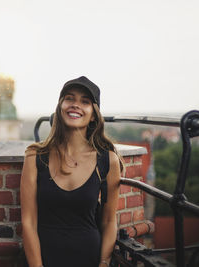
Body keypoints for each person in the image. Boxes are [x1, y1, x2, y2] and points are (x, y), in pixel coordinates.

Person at [20, 76, 124, 267]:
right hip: (44, 259)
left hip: (88, 259)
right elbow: (28, 222)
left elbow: (109, 221)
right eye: (69, 98)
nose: (75, 105)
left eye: (85, 101)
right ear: (60, 107)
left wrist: (103, 263)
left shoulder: (108, 160)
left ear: (93, 114)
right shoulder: (35, 156)